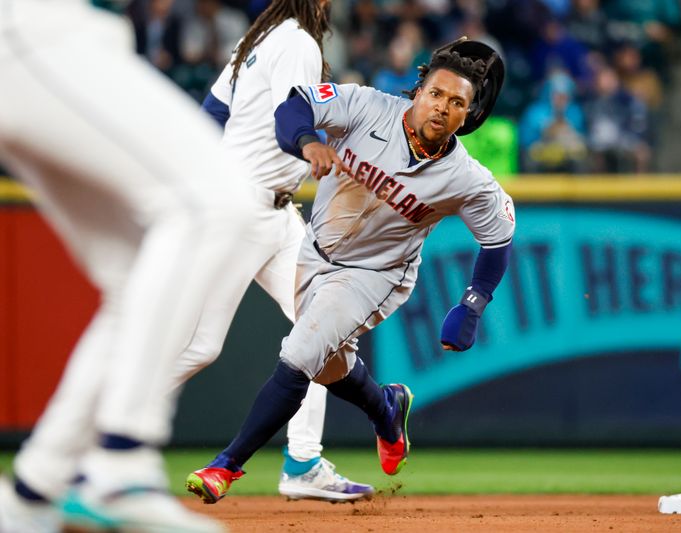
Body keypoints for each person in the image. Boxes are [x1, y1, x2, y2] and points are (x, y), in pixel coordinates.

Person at [185, 37, 515, 502]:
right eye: (437, 94)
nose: (442, 107)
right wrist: (306, 141)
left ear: (468, 115)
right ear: (418, 90)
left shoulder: (467, 178)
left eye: (456, 102)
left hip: (376, 275)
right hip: (313, 252)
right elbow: (295, 106)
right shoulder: (365, 105)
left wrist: (474, 304)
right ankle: (386, 408)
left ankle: (226, 466)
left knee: (301, 352)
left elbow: (498, 238)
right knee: (327, 366)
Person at [0, 1, 258, 532]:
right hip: (30, 30)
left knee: (136, 271)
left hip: (55, 40)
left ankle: (37, 489)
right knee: (216, 201)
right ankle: (119, 466)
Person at [174, 0, 372, 503]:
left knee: (323, 330)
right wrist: (310, 144)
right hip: (242, 207)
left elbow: (213, 111)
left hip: (276, 215)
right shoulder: (297, 43)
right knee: (199, 346)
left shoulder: (256, 39)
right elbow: (291, 119)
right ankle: (100, 435)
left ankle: (303, 461)